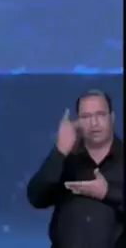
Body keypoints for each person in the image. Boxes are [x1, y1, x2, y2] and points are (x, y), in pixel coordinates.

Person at [27, 89, 124, 248]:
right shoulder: (66, 159)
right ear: (78, 122)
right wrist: (60, 151)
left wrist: (107, 193)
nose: (94, 123)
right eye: (86, 116)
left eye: (100, 114)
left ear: (112, 118)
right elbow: (36, 198)